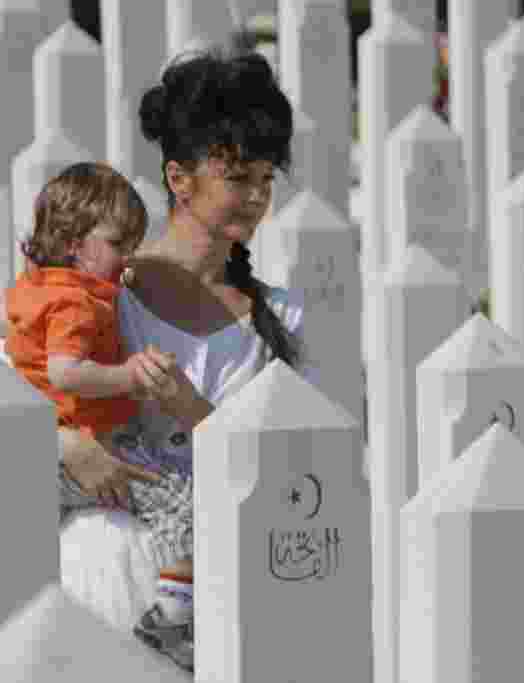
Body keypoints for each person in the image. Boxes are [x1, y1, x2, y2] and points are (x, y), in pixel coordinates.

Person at [49, 45, 320, 674]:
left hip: (227, 591)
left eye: (265, 180)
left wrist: (194, 411)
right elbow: (22, 395)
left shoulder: (282, 318)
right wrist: (68, 443)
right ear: (179, 178)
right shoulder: (100, 293)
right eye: (238, 178)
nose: (256, 197)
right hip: (103, 575)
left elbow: (294, 469)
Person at [4, 161, 200, 670]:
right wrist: (129, 376)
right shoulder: (77, 305)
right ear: (73, 242)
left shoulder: (34, 291)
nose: (128, 256)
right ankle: (173, 620)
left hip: (43, 457)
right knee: (185, 501)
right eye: (117, 244)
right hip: (96, 447)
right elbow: (67, 373)